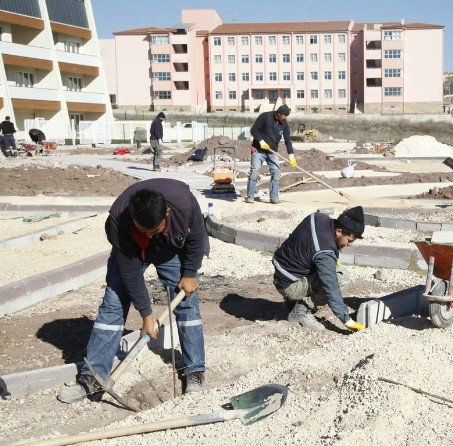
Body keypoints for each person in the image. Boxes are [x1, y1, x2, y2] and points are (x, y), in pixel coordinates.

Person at [57, 178, 209, 404]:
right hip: (132, 250)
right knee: (113, 304)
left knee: (187, 301)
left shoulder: (183, 203)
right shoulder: (119, 219)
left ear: (166, 214)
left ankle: (194, 370)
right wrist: (147, 315)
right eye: (142, 229)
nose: (148, 235)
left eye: (153, 229)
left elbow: (197, 237)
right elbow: (130, 274)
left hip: (168, 248)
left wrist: (189, 273)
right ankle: (94, 376)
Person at [272, 206, 367, 333]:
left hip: (282, 271)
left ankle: (291, 302)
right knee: (341, 277)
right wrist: (346, 319)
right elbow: (331, 286)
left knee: (330, 267)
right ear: (339, 231)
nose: (349, 244)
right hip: (289, 285)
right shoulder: (324, 251)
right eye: (349, 240)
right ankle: (301, 310)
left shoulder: (319, 218)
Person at [245, 104, 297, 204]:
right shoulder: (265, 116)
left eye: (287, 116)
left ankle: (274, 197)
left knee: (276, 172)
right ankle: (250, 197)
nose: (285, 118)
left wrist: (291, 155)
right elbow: (254, 130)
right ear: (278, 114)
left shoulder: (284, 124)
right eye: (284, 116)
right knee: (255, 172)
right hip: (258, 150)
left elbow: (287, 140)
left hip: (272, 152)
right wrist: (261, 141)